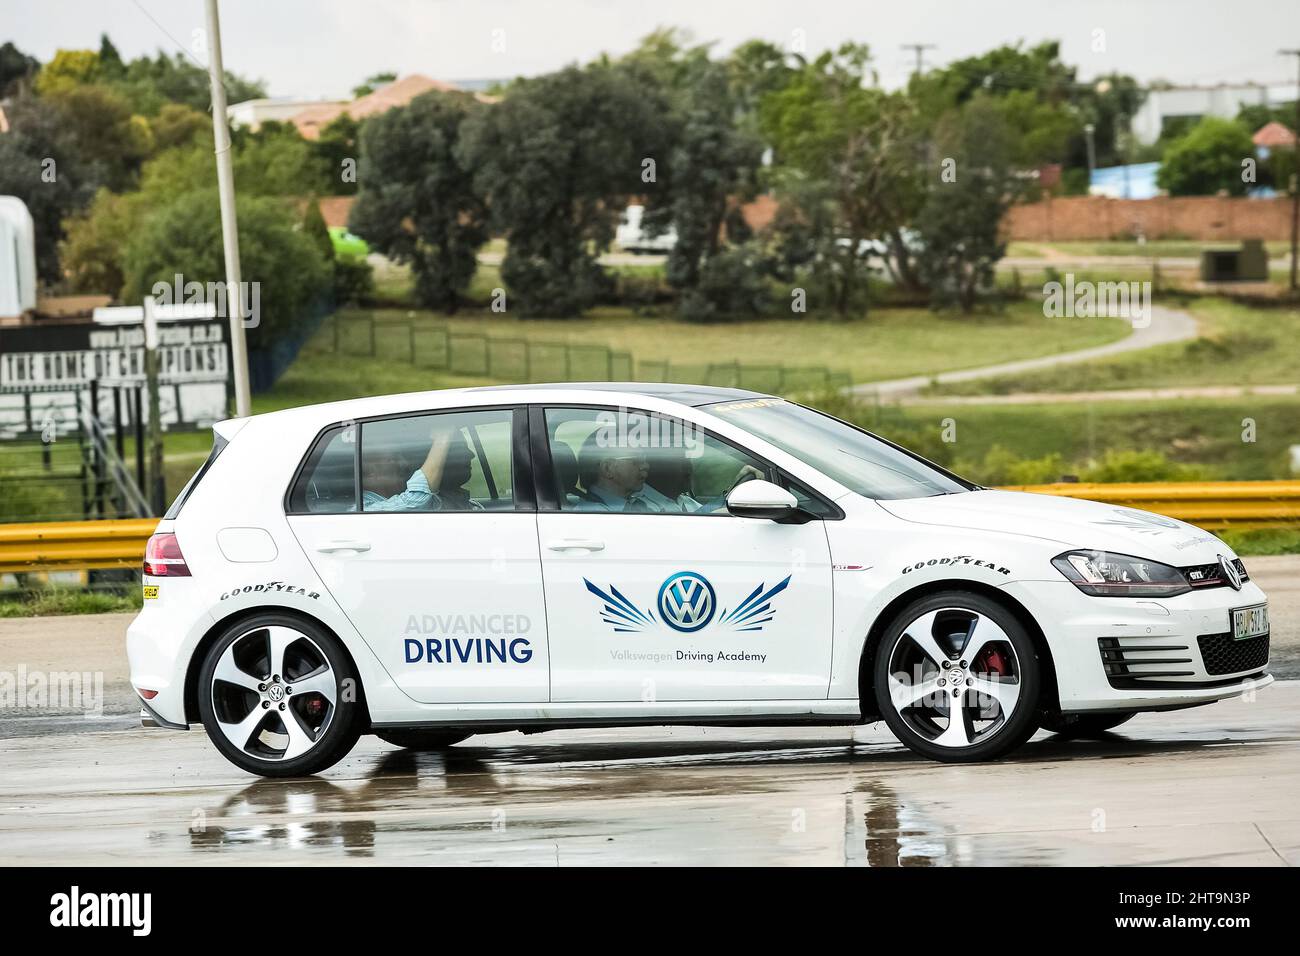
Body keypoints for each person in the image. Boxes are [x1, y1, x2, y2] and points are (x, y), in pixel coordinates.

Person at [363, 421, 480, 512]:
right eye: (393, 459)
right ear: (370, 471)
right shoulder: (364, 509)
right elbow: (416, 500)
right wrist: (443, 436)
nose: (405, 464)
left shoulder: (449, 501)